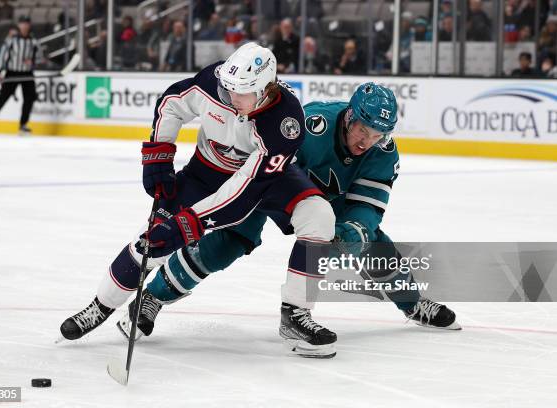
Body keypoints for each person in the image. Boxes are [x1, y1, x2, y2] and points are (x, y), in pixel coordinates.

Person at [112, 82, 461, 355]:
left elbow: (367, 205)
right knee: (227, 242)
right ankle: (152, 298)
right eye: (363, 131)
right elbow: (269, 164)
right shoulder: (313, 124)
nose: (366, 142)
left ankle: (411, 304)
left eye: (376, 135)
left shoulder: (382, 151)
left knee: (369, 240)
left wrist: (353, 231)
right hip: (274, 187)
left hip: (326, 202)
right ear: (351, 117)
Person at [60, 42, 338, 358]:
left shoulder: (286, 122)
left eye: (242, 92)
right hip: (203, 174)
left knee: (319, 215)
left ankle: (295, 315)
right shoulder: (214, 82)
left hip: (265, 182)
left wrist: (189, 223)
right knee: (149, 241)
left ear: (264, 90)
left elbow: (243, 192)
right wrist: (159, 155)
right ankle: (101, 305)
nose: (232, 98)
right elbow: (173, 103)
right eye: (228, 88)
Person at [0, 16, 42, 136]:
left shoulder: (33, 41)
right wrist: (0, 71)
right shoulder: (11, 40)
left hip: (27, 73)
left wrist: (32, 62)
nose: (24, 26)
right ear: (19, 25)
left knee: (30, 98)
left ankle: (23, 125)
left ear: (29, 25)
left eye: (26, 23)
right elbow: (3, 55)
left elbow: (40, 57)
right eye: (22, 23)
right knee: (2, 98)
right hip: (12, 72)